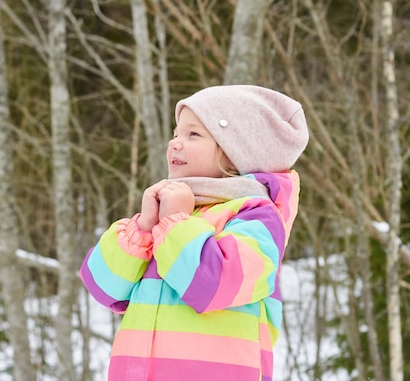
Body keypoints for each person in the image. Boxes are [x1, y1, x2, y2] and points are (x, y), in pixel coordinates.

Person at [80, 85, 309, 381]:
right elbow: (103, 287)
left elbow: (213, 285)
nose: (174, 143)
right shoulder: (172, 218)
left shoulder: (257, 218)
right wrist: (143, 228)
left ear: (233, 154)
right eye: (176, 133)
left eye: (193, 135)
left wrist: (175, 221)